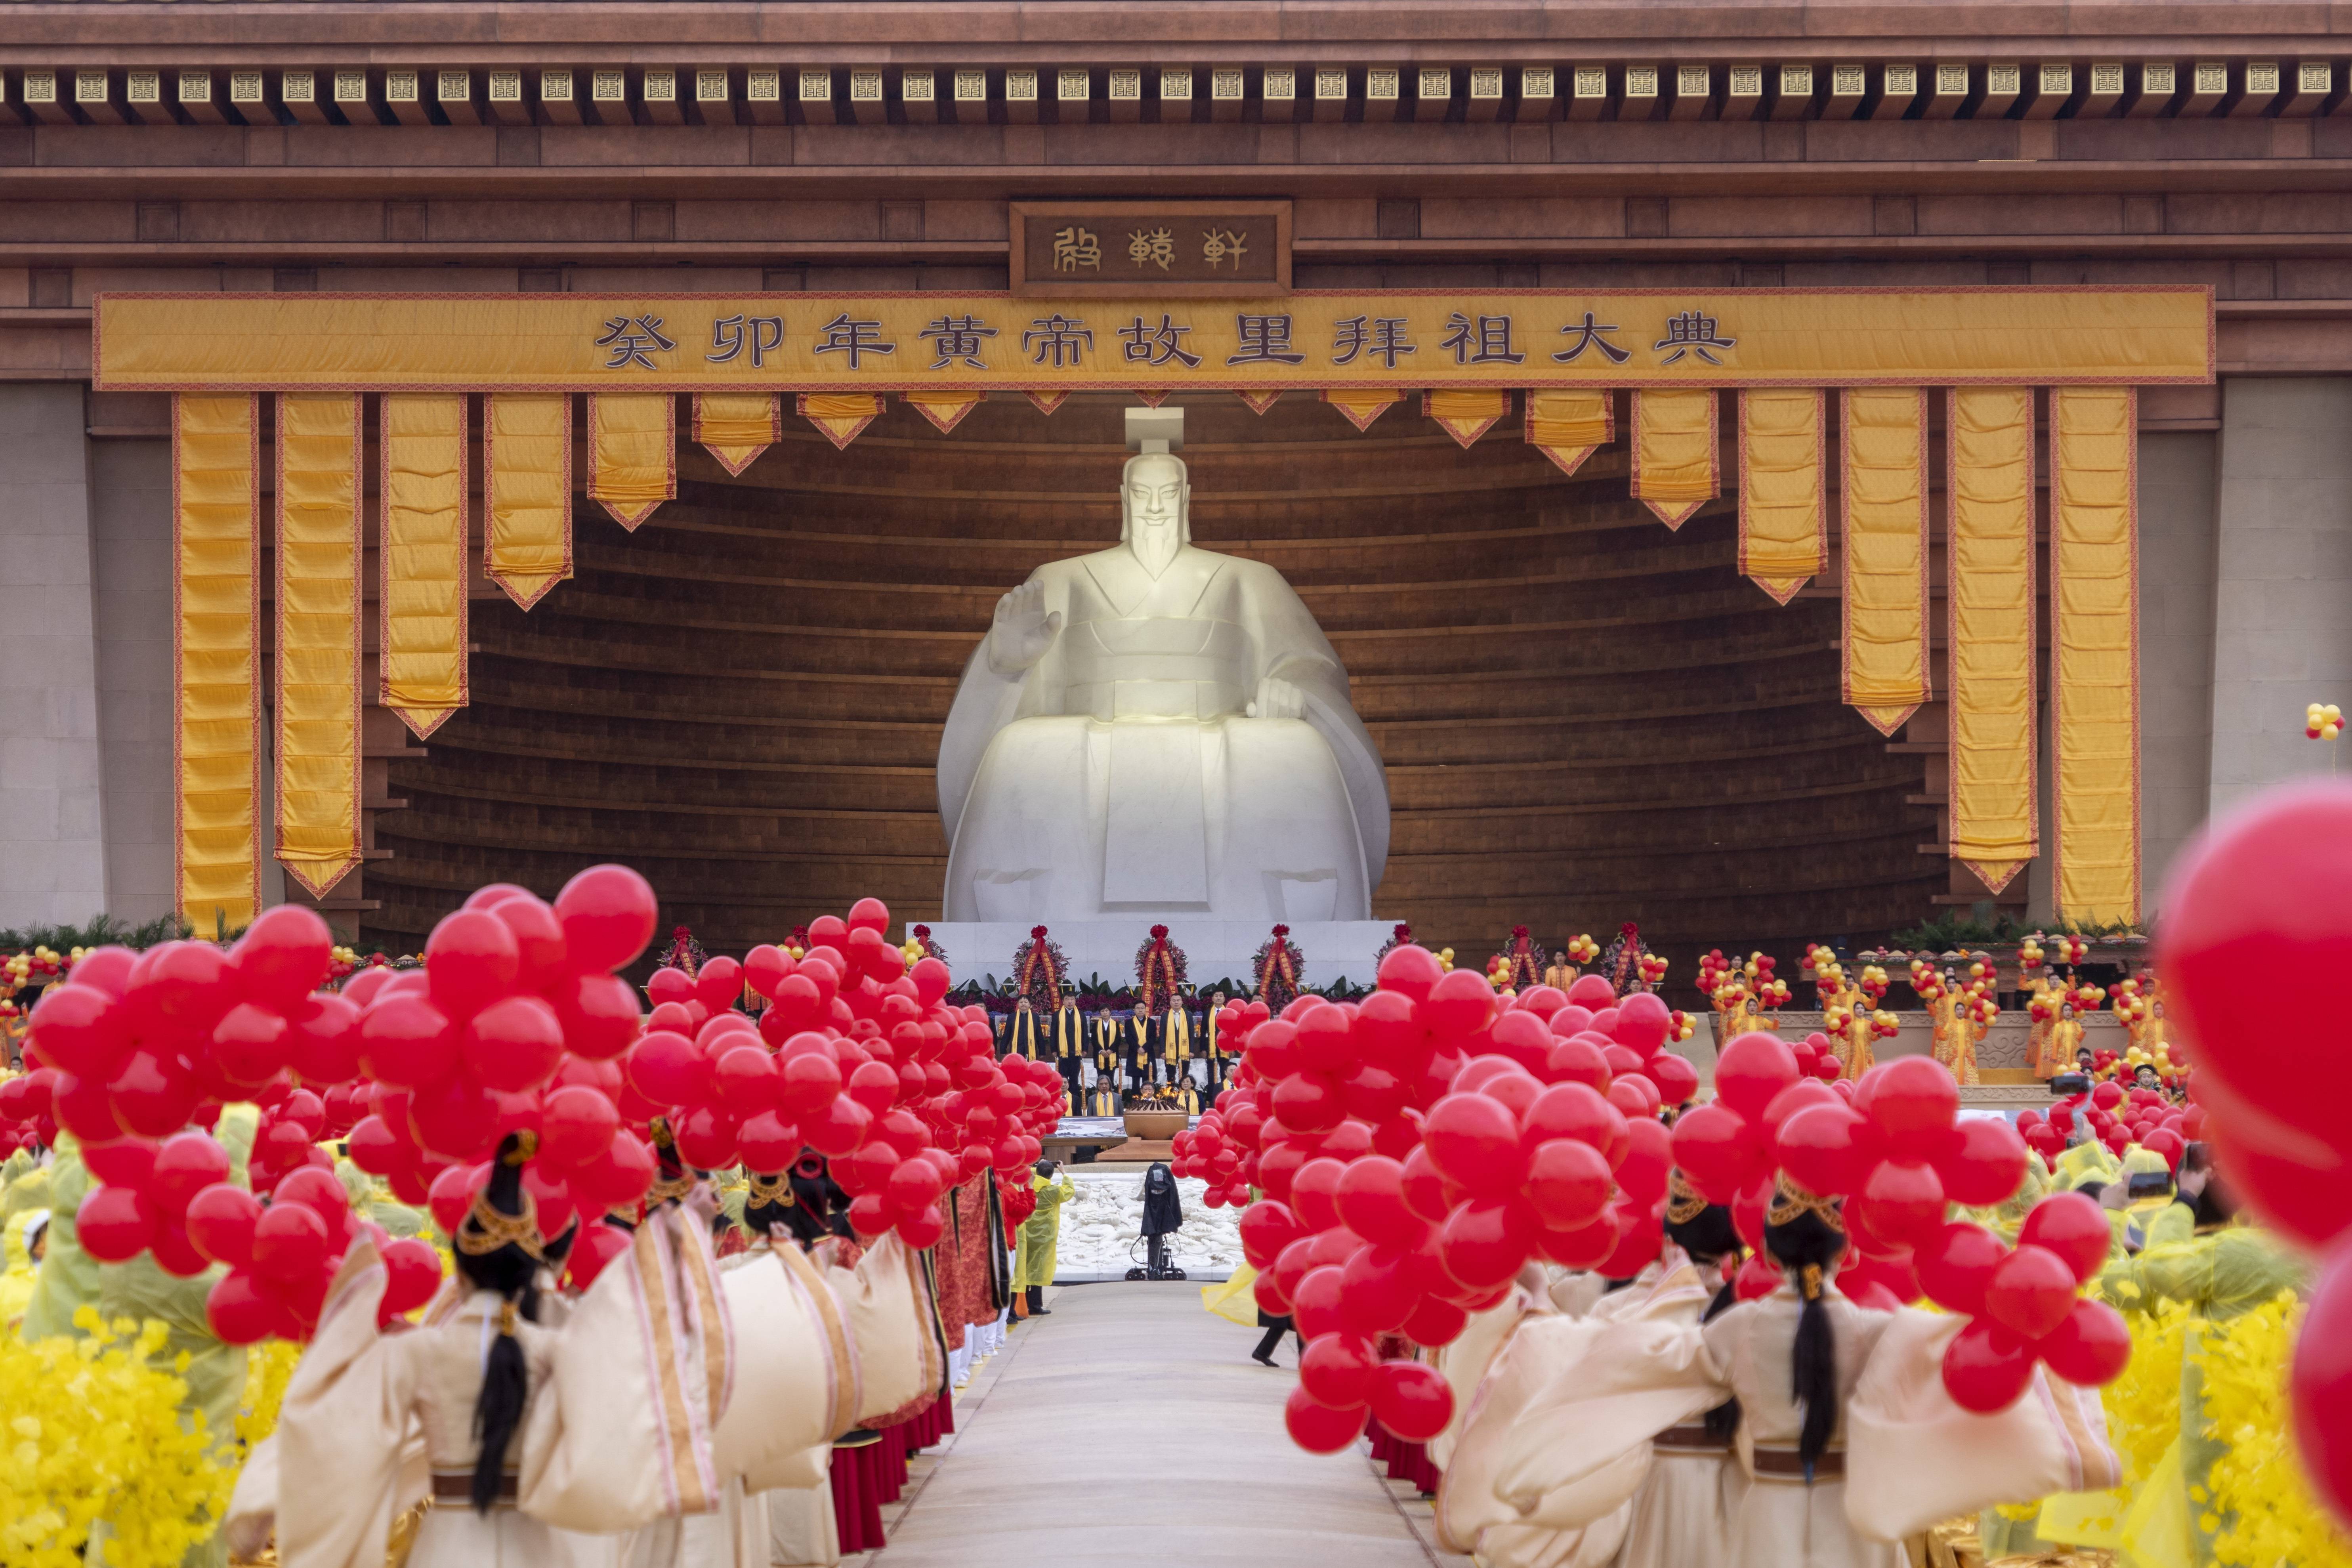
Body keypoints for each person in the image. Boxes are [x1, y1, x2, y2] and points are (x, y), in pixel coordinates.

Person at [271, 1131, 732, 1568]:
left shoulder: (418, 1351)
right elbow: (649, 1362)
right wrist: (683, 1235)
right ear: (530, 1271)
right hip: (541, 1546)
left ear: (463, 1270)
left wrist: (260, 1508)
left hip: (448, 1544)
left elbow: (328, 1424)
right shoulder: (558, 1350)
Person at [1014, 1160, 1075, 1316]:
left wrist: (1034, 1167)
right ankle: (1035, 1305)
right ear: (1051, 1175)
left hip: (1026, 1233)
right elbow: (1069, 1191)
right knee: (1039, 1270)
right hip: (1045, 1237)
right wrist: (1065, 1173)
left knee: (1023, 1268)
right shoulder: (1054, 1192)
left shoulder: (1029, 1187)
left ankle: (1022, 1305)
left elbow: (1032, 1174)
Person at [1128, 1161, 1185, 1281]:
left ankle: (1155, 1268)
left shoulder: (1156, 1171)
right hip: (1160, 1210)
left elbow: (1157, 1188)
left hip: (1156, 1210)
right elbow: (1162, 1188)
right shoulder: (1161, 1171)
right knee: (1156, 1236)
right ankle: (1155, 1268)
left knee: (1156, 1235)